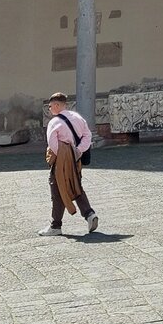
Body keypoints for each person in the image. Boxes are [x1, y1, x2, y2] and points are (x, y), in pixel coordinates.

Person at [38, 91, 98, 236]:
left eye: (51, 106)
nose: (50, 109)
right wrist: (78, 151)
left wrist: (64, 155)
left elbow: (52, 143)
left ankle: (55, 225)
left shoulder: (54, 122)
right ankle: (89, 214)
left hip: (62, 158)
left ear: (57, 105)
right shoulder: (77, 117)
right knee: (75, 184)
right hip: (76, 157)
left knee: (57, 187)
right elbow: (87, 135)